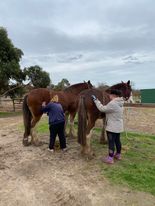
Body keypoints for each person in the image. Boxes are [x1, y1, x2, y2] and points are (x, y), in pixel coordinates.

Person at [91, 89, 124, 164]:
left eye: (110, 95)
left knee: (111, 142)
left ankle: (110, 158)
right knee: (117, 141)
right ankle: (118, 155)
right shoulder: (120, 102)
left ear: (114, 95)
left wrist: (96, 100)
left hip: (112, 127)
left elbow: (102, 109)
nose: (109, 96)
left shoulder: (113, 103)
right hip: (118, 126)